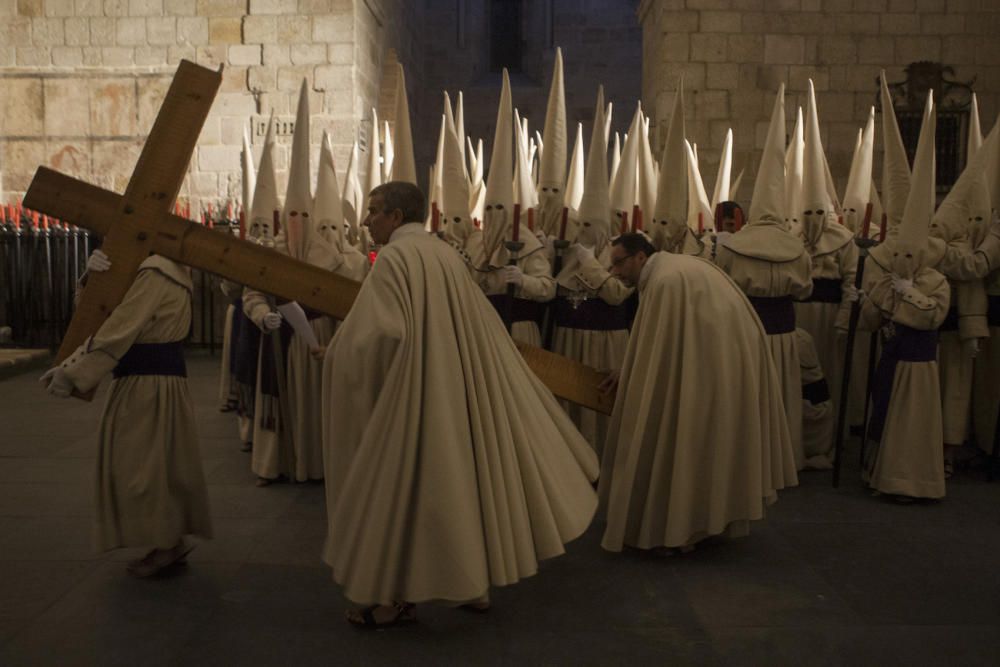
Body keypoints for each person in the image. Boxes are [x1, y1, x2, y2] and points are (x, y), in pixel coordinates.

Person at [321, 181, 599, 628]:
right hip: (458, 382)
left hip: (413, 391)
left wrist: (335, 352)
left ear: (395, 216)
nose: (367, 220)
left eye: (373, 212)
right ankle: (471, 584)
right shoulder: (443, 252)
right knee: (462, 483)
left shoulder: (394, 256)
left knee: (407, 491)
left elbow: (382, 336)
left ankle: (394, 598)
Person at [599, 233, 796, 554]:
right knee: (709, 445)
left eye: (619, 262)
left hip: (706, 370)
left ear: (639, 256)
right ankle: (704, 520)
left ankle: (678, 528)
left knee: (682, 440)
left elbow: (658, 353)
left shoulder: (665, 281)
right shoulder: (675, 268)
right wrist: (630, 367)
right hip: (723, 368)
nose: (616, 272)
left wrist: (634, 375)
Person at [40, 248, 212, 577]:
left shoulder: (155, 272)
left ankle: (166, 545)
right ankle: (167, 540)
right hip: (150, 382)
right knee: (158, 464)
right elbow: (102, 316)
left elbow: (120, 327)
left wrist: (72, 372)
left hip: (147, 385)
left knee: (143, 468)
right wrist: (94, 280)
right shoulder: (159, 268)